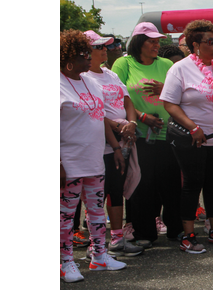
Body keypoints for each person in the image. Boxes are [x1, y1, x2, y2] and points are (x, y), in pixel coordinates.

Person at [160, 20, 213, 253]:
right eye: (211, 41)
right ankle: (188, 234)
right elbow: (169, 103)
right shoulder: (180, 69)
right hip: (192, 139)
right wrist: (193, 127)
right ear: (195, 45)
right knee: (192, 184)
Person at [60, 30, 127, 282]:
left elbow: (100, 119)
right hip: (70, 163)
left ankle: (99, 256)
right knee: (65, 217)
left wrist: (116, 148)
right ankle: (65, 261)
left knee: (97, 211)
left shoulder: (91, 82)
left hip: (95, 159)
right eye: (82, 55)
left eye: (88, 53)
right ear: (67, 59)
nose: (88, 58)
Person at [112, 22, 182, 246]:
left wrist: (165, 90)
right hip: (139, 135)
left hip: (167, 133)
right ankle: (144, 233)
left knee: (170, 184)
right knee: (143, 185)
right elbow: (115, 97)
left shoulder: (165, 64)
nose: (156, 44)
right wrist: (142, 117)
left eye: (158, 41)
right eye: (151, 41)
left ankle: (176, 229)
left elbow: (181, 92)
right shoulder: (124, 63)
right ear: (138, 42)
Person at [80, 30, 144, 258]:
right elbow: (93, 111)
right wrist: (118, 127)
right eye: (98, 47)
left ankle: (117, 238)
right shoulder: (84, 78)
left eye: (104, 46)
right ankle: (94, 246)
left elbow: (128, 101)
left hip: (122, 141)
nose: (104, 50)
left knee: (116, 190)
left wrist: (132, 123)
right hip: (101, 142)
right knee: (97, 194)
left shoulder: (110, 74)